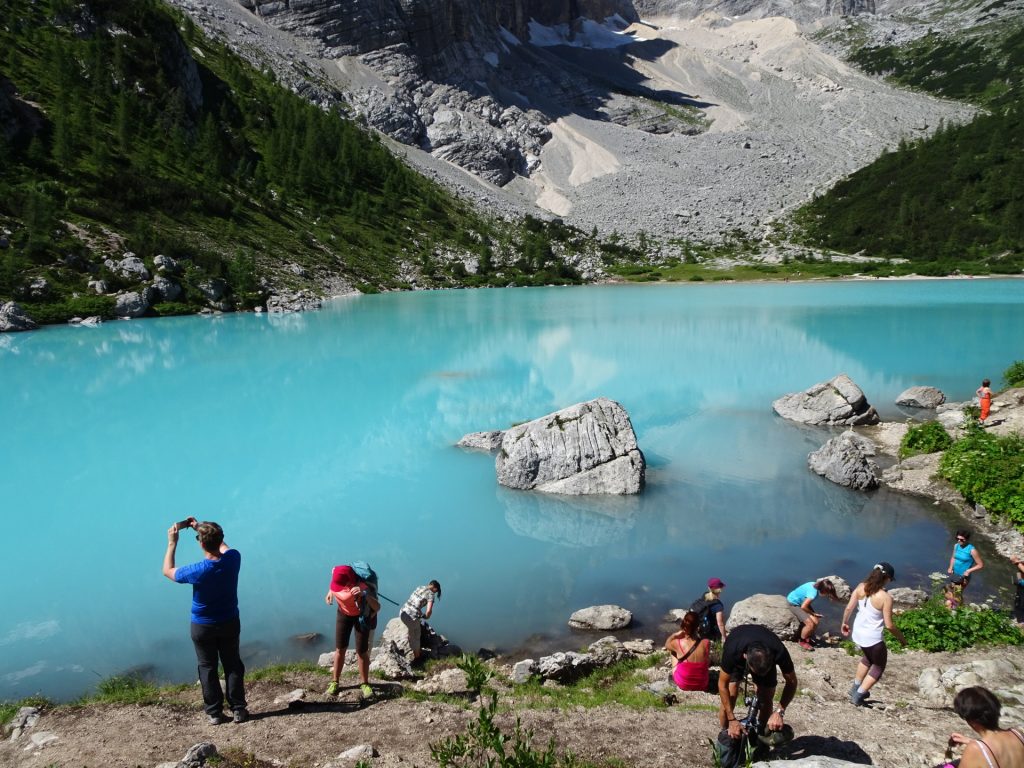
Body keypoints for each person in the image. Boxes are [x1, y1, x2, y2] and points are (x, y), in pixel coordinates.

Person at [162, 517, 248, 725]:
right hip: (229, 621)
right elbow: (225, 548)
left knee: (207, 667)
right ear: (220, 540)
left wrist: (172, 543)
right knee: (232, 664)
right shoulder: (233, 559)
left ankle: (215, 713)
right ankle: (238, 709)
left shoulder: (197, 570)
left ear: (201, 543)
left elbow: (168, 571)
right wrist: (201, 528)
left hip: (202, 626)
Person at [841, 562, 907, 706]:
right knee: (878, 666)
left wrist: (844, 623)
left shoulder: (860, 587)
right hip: (873, 638)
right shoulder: (885, 597)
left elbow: (848, 608)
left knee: (867, 658)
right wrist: (902, 639)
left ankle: (855, 687)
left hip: (858, 634)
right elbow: (889, 625)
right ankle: (858, 695)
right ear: (887, 578)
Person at [717, 624, 797, 739]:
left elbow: (792, 682)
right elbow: (722, 685)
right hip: (738, 641)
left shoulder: (778, 650)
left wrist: (779, 711)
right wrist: (732, 719)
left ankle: (761, 735)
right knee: (731, 693)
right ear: (745, 658)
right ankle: (726, 734)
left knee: (766, 697)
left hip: (764, 648)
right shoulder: (733, 651)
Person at [324, 564, 380, 698]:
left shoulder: (361, 587)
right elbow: (335, 582)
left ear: (349, 582)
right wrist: (331, 592)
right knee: (340, 649)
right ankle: (335, 682)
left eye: (341, 584)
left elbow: (377, 607)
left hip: (360, 617)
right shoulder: (336, 576)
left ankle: (365, 684)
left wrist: (365, 595)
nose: (338, 586)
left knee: (361, 651)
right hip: (343, 615)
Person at [945, 686, 1024, 768]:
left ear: (972, 721)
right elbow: (1002, 749)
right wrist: (970, 741)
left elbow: (986, 752)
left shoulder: (974, 749)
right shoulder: (1018, 734)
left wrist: (975, 745)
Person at [786, 579, 840, 651]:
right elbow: (803, 607)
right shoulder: (813, 594)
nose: (827, 595)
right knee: (810, 624)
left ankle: (808, 637)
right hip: (794, 604)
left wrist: (814, 615)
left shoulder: (814, 584)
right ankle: (802, 641)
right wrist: (813, 613)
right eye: (827, 593)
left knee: (816, 621)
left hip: (802, 602)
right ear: (822, 590)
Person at [665, 610, 710, 692]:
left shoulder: (677, 643)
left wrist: (674, 635)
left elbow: (667, 645)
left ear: (683, 624)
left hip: (684, 684)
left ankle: (676, 672)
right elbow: (707, 661)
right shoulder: (706, 642)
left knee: (673, 651)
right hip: (703, 684)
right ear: (698, 627)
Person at [400, 580, 441, 665]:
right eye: (436, 591)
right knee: (416, 636)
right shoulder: (431, 594)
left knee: (412, 631)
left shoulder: (420, 587)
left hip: (402, 612)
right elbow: (429, 611)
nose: (435, 592)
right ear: (435, 588)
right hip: (412, 617)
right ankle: (417, 659)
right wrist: (426, 616)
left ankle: (412, 647)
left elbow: (415, 602)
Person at [948, 529, 984, 601]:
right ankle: (955, 608)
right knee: (950, 592)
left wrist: (969, 571)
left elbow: (980, 565)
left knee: (956, 594)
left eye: (962, 539)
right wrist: (950, 567)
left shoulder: (972, 550)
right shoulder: (956, 546)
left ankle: (958, 609)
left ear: (967, 539)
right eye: (957, 538)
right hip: (954, 574)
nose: (959, 541)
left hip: (963, 577)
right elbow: (953, 557)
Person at [693, 577, 728, 642]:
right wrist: (724, 637)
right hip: (708, 629)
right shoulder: (718, 605)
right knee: (718, 632)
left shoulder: (705, 594)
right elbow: (720, 624)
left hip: (700, 624)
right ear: (719, 590)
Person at [1011, 557, 1024, 625]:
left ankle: (1021, 622)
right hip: (1021, 584)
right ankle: (1019, 619)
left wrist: (1017, 563)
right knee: (1018, 601)